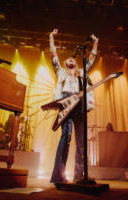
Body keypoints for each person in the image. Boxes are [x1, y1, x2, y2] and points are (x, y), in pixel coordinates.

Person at [49, 28, 99, 184]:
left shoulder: (82, 73)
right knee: (65, 137)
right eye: (68, 60)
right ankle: (59, 176)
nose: (70, 59)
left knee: (81, 141)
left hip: (80, 103)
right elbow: (53, 55)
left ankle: (79, 176)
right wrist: (51, 37)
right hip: (65, 101)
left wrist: (95, 42)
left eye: (73, 59)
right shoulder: (61, 73)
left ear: (76, 64)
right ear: (65, 64)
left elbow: (91, 59)